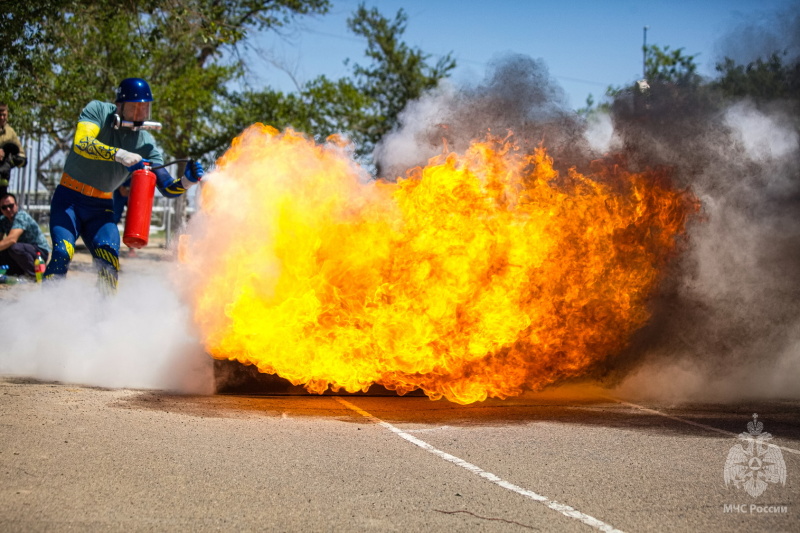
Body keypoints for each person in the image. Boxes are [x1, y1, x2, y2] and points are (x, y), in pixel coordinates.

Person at [44, 77, 204, 292]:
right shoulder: (98, 110)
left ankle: (104, 319)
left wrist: (187, 181)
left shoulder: (146, 142)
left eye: (145, 108)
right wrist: (119, 155)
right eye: (135, 108)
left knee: (109, 261)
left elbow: (167, 187)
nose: (140, 115)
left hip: (101, 208)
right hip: (68, 200)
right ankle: (46, 310)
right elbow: (82, 143)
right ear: (119, 104)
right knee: (63, 253)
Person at [0, 193, 50, 278]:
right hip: (22, 254)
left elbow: (12, 239)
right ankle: (18, 273)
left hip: (38, 252)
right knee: (5, 251)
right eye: (4, 207)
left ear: (16, 205)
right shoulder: (3, 220)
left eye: (11, 206)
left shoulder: (21, 216)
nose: (8, 209)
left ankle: (35, 274)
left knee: (14, 247)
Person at [0, 103, 28, 197]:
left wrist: (19, 160)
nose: (2, 118)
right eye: (0, 115)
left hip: (3, 180)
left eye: (4, 115)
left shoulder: (10, 132)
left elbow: (21, 153)